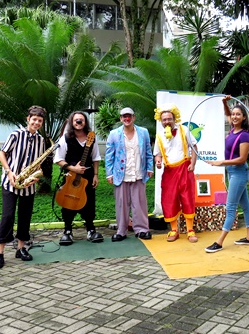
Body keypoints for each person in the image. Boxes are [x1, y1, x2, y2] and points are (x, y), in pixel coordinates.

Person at [0, 105, 48, 269]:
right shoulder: (16, 135)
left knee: (25, 217)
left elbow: (38, 163)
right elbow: (2, 153)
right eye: (34, 119)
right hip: (10, 182)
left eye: (40, 121)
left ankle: (20, 248)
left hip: (28, 185)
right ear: (28, 119)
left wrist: (35, 177)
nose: (36, 123)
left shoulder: (41, 140)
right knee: (7, 216)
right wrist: (9, 172)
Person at [204, 96, 249, 253]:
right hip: (233, 172)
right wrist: (224, 103)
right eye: (233, 114)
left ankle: (219, 242)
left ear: (244, 117)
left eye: (238, 114)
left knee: (230, 207)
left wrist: (221, 162)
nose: (234, 117)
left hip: (239, 173)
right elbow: (227, 114)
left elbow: (242, 159)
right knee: (246, 206)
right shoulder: (233, 129)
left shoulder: (244, 135)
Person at [54, 111, 104, 245]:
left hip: (87, 175)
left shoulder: (91, 138)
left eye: (81, 120)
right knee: (68, 201)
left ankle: (91, 229)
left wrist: (96, 175)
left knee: (89, 202)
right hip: (70, 175)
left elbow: (96, 157)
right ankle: (67, 230)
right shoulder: (65, 138)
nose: (78, 122)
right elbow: (58, 159)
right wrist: (73, 168)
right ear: (72, 122)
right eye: (76, 120)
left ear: (85, 122)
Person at [105, 107, 154, 242]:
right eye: (124, 116)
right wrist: (109, 174)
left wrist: (150, 168)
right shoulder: (114, 134)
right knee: (121, 204)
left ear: (133, 118)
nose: (127, 119)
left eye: (129, 116)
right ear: (121, 118)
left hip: (138, 172)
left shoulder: (143, 132)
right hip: (121, 174)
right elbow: (109, 156)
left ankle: (142, 230)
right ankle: (121, 231)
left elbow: (148, 152)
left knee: (139, 203)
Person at [153, 104, 198, 243]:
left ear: (174, 119)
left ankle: (190, 230)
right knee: (169, 199)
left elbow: (194, 147)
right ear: (161, 121)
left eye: (169, 119)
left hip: (184, 168)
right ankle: (174, 230)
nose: (167, 121)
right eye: (164, 119)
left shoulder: (184, 130)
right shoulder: (159, 136)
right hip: (169, 171)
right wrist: (158, 161)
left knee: (187, 197)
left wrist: (193, 163)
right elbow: (157, 154)